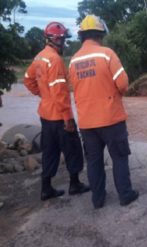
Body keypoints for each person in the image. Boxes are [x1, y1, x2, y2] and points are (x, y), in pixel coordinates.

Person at [69, 15, 139, 209]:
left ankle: (97, 200)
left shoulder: (73, 61)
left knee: (93, 161)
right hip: (111, 119)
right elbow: (123, 84)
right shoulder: (107, 54)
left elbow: (74, 88)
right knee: (119, 157)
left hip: (86, 123)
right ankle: (125, 195)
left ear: (82, 36)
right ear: (100, 35)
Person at [23, 22, 90, 201]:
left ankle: (46, 188)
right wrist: (68, 119)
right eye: (62, 39)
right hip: (60, 117)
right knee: (73, 149)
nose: (64, 43)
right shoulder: (55, 60)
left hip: (45, 115)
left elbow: (28, 80)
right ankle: (75, 184)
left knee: (50, 151)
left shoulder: (39, 57)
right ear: (55, 39)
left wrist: (43, 95)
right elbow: (61, 94)